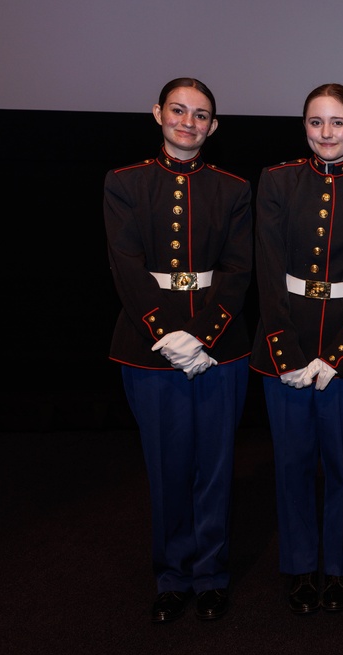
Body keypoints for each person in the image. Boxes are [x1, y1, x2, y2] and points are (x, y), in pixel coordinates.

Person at [104, 77, 252, 623]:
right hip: (148, 349)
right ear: (157, 114)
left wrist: (203, 335)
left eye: (201, 114)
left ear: (213, 126)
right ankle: (171, 575)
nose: (188, 121)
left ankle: (211, 574)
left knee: (214, 467)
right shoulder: (124, 182)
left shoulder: (233, 189)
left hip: (220, 349)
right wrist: (166, 334)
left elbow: (238, 271)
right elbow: (125, 265)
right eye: (178, 110)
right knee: (167, 467)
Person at [250, 84, 343, 614]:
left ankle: (336, 566)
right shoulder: (277, 181)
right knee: (291, 466)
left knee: (340, 467)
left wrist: (337, 354)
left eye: (338, 123)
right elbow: (267, 272)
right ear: (304, 127)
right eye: (316, 122)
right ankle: (297, 565)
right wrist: (287, 352)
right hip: (282, 344)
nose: (326, 133)